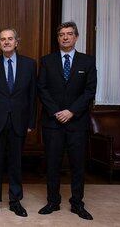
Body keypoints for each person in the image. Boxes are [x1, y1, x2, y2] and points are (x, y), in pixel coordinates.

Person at [37, 21, 96, 220]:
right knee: (52, 164)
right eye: (61, 34)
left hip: (77, 122)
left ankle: (77, 203)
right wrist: (57, 112)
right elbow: (42, 89)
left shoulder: (87, 62)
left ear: (76, 37)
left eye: (69, 34)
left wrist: (71, 111)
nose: (65, 37)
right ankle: (53, 202)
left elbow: (89, 91)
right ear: (58, 38)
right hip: (53, 122)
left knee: (78, 165)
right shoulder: (47, 60)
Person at [0, 28, 37, 217]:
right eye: (2, 39)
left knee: (16, 163)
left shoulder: (30, 64)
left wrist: (31, 122)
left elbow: (32, 96)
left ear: (17, 42)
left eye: (10, 39)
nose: (6, 42)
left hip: (19, 121)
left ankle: (15, 201)